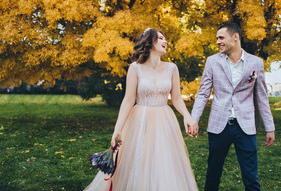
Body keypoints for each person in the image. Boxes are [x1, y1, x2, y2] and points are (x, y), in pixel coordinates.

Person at [84, 28, 199, 191]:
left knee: (164, 162)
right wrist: (117, 129)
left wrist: (187, 116)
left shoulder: (172, 68)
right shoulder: (135, 68)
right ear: (150, 43)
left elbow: (177, 98)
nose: (165, 41)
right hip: (139, 121)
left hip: (164, 121)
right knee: (138, 161)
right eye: (160, 38)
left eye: (165, 38)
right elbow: (128, 100)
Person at [191, 22, 275, 191]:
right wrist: (194, 119)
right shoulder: (212, 61)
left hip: (245, 127)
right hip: (218, 125)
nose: (217, 41)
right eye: (217, 38)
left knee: (251, 177)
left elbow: (262, 97)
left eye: (221, 37)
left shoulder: (256, 63)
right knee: (212, 174)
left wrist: (269, 127)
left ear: (235, 37)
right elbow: (203, 93)